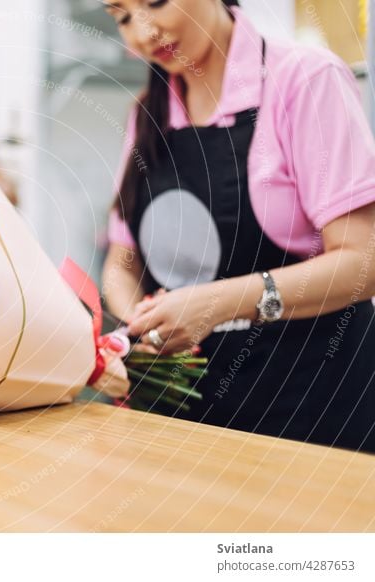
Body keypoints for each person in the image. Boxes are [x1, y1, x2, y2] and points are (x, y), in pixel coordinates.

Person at [99, 0, 375, 452]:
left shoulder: (306, 80)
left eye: (155, 2)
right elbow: (120, 261)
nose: (144, 32)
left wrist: (216, 304)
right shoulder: (147, 112)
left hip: (312, 403)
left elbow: (364, 260)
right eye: (123, 16)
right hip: (189, 413)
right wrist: (141, 325)